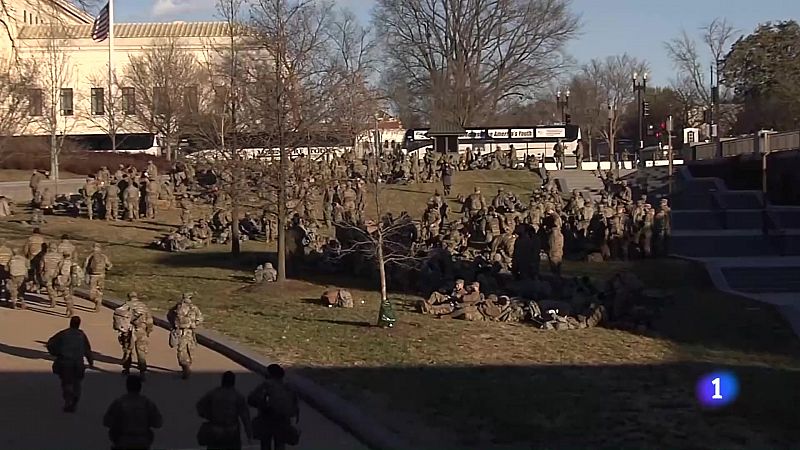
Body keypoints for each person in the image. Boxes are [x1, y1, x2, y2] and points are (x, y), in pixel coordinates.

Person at [47, 316, 94, 412]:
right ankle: (75, 398)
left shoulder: (64, 333)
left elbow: (50, 344)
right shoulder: (82, 335)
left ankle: (68, 400)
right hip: (78, 363)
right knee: (77, 383)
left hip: (65, 362)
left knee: (66, 383)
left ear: (70, 323)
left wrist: (56, 353)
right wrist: (91, 362)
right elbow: (87, 350)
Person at [196, 371, 253, 450]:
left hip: (216, 429)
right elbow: (245, 417)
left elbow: (200, 406)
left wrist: (208, 416)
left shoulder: (214, 393)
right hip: (232, 429)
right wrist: (249, 434)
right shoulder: (237, 396)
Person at [248, 364, 300, 450]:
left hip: (267, 418)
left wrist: (260, 405)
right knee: (280, 443)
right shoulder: (288, 386)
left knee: (265, 444)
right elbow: (295, 405)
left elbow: (252, 399)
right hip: (283, 419)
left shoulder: (267, 384)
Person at [103, 375, 163, 450]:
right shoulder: (147, 403)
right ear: (140, 387)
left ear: (127, 387)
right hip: (142, 441)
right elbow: (158, 423)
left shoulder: (119, 403)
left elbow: (106, 422)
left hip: (123, 441)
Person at [114, 292, 154, 378]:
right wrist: (148, 331)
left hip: (128, 331)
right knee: (141, 351)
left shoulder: (125, 305)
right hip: (141, 331)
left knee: (127, 350)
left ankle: (126, 368)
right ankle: (142, 371)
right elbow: (150, 321)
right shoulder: (144, 307)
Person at [167, 292, 204, 379]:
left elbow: (169, 316)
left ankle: (185, 365)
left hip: (180, 331)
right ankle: (187, 364)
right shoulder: (194, 308)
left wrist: (173, 325)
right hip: (190, 332)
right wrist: (194, 324)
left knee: (181, 349)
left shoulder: (177, 307)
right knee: (190, 348)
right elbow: (200, 318)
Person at [84, 243, 112, 310]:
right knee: (100, 291)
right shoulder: (104, 256)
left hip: (93, 276)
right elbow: (110, 265)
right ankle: (99, 301)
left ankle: (96, 300)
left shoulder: (90, 256)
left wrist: (86, 274)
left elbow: (85, 266)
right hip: (101, 275)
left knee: (92, 293)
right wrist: (107, 269)